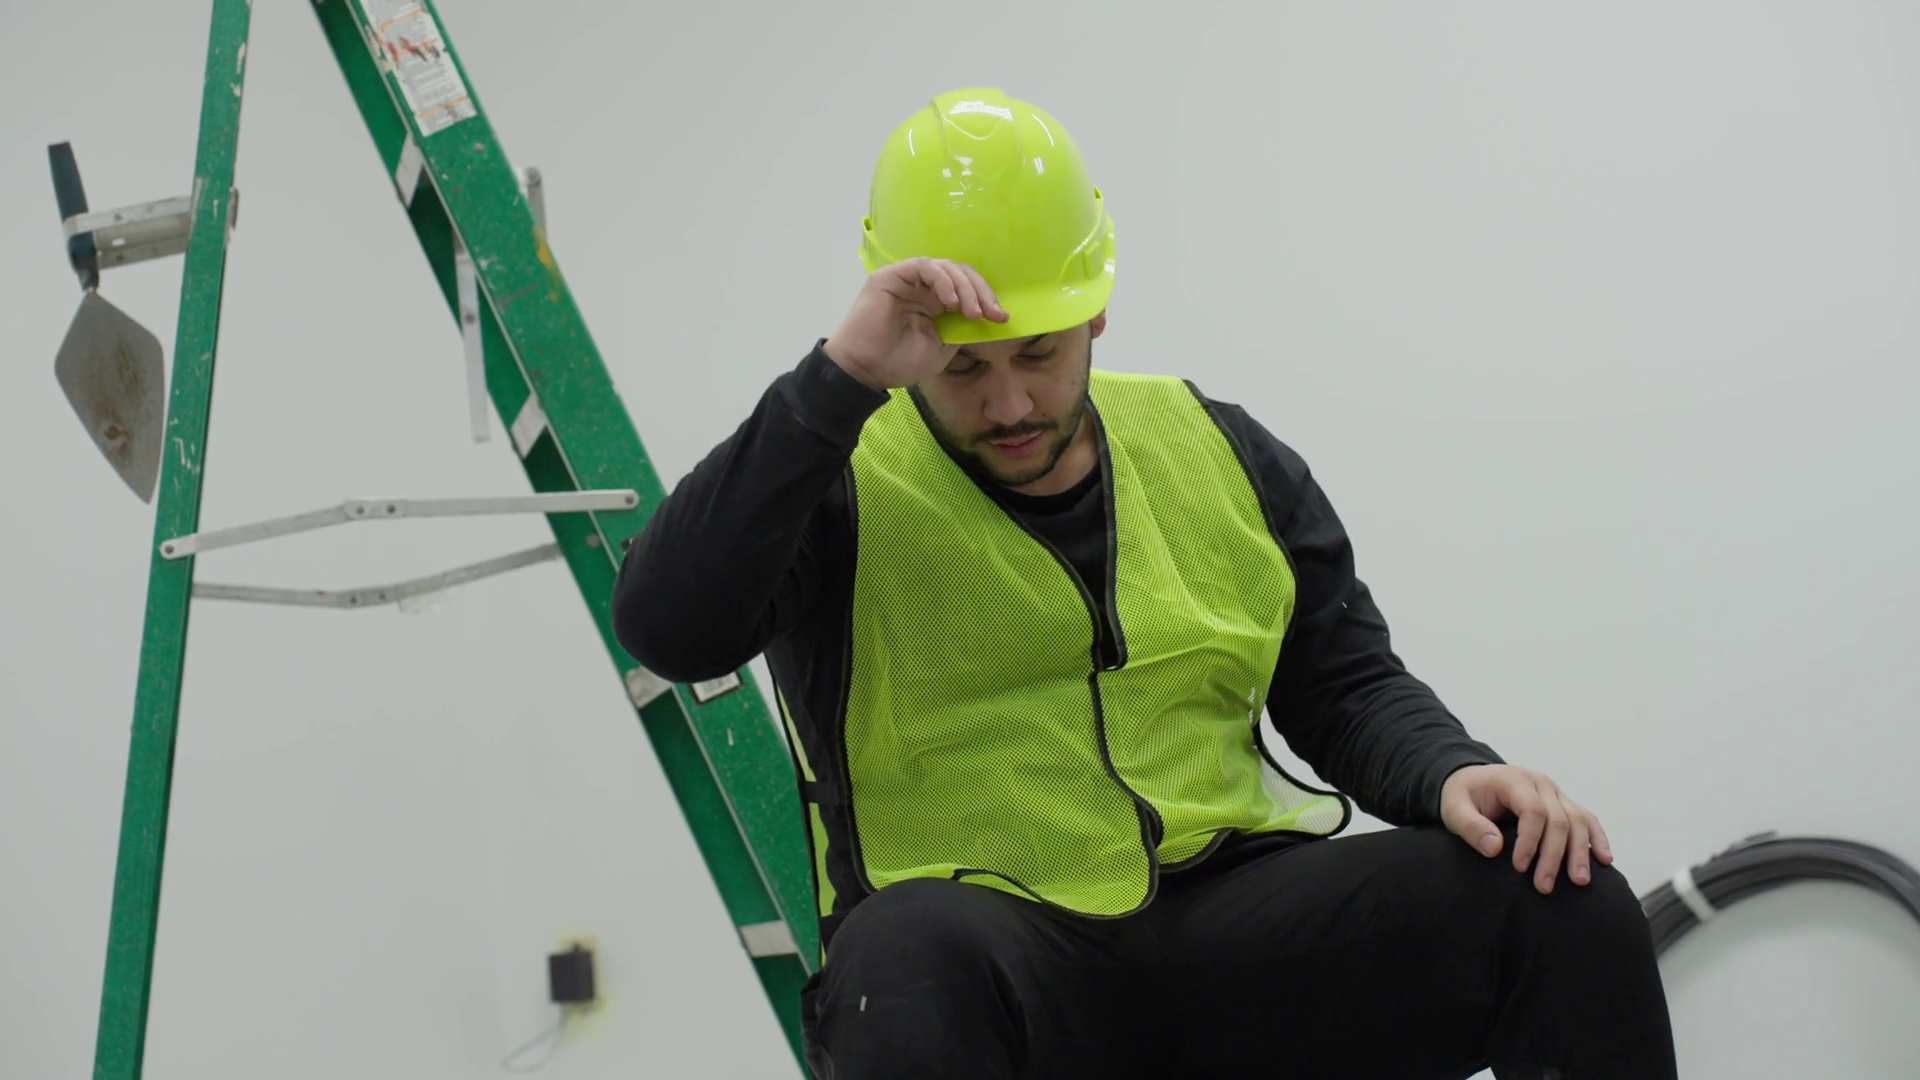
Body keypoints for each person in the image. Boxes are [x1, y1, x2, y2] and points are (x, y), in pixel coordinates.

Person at [612, 87, 1678, 1080]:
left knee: (1556, 896)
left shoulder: (1218, 446)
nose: (1009, 404)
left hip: (1243, 928)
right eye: (965, 368)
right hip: (1002, 959)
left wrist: (1452, 771)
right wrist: (835, 380)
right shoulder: (833, 480)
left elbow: (1345, 685)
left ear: (1095, 312)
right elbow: (669, 629)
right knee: (901, 961)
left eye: (1037, 353)